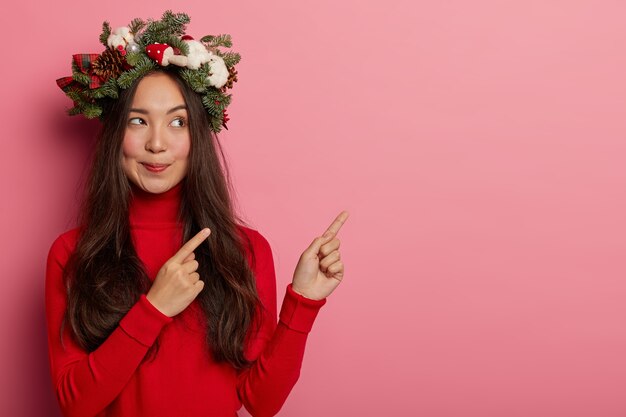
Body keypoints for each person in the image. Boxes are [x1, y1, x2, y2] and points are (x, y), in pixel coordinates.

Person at [46, 11, 348, 417]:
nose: (157, 143)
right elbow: (75, 404)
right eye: (139, 121)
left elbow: (262, 402)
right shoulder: (71, 253)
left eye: (177, 122)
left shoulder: (245, 250)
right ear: (116, 135)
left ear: (198, 137)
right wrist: (153, 310)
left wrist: (304, 303)